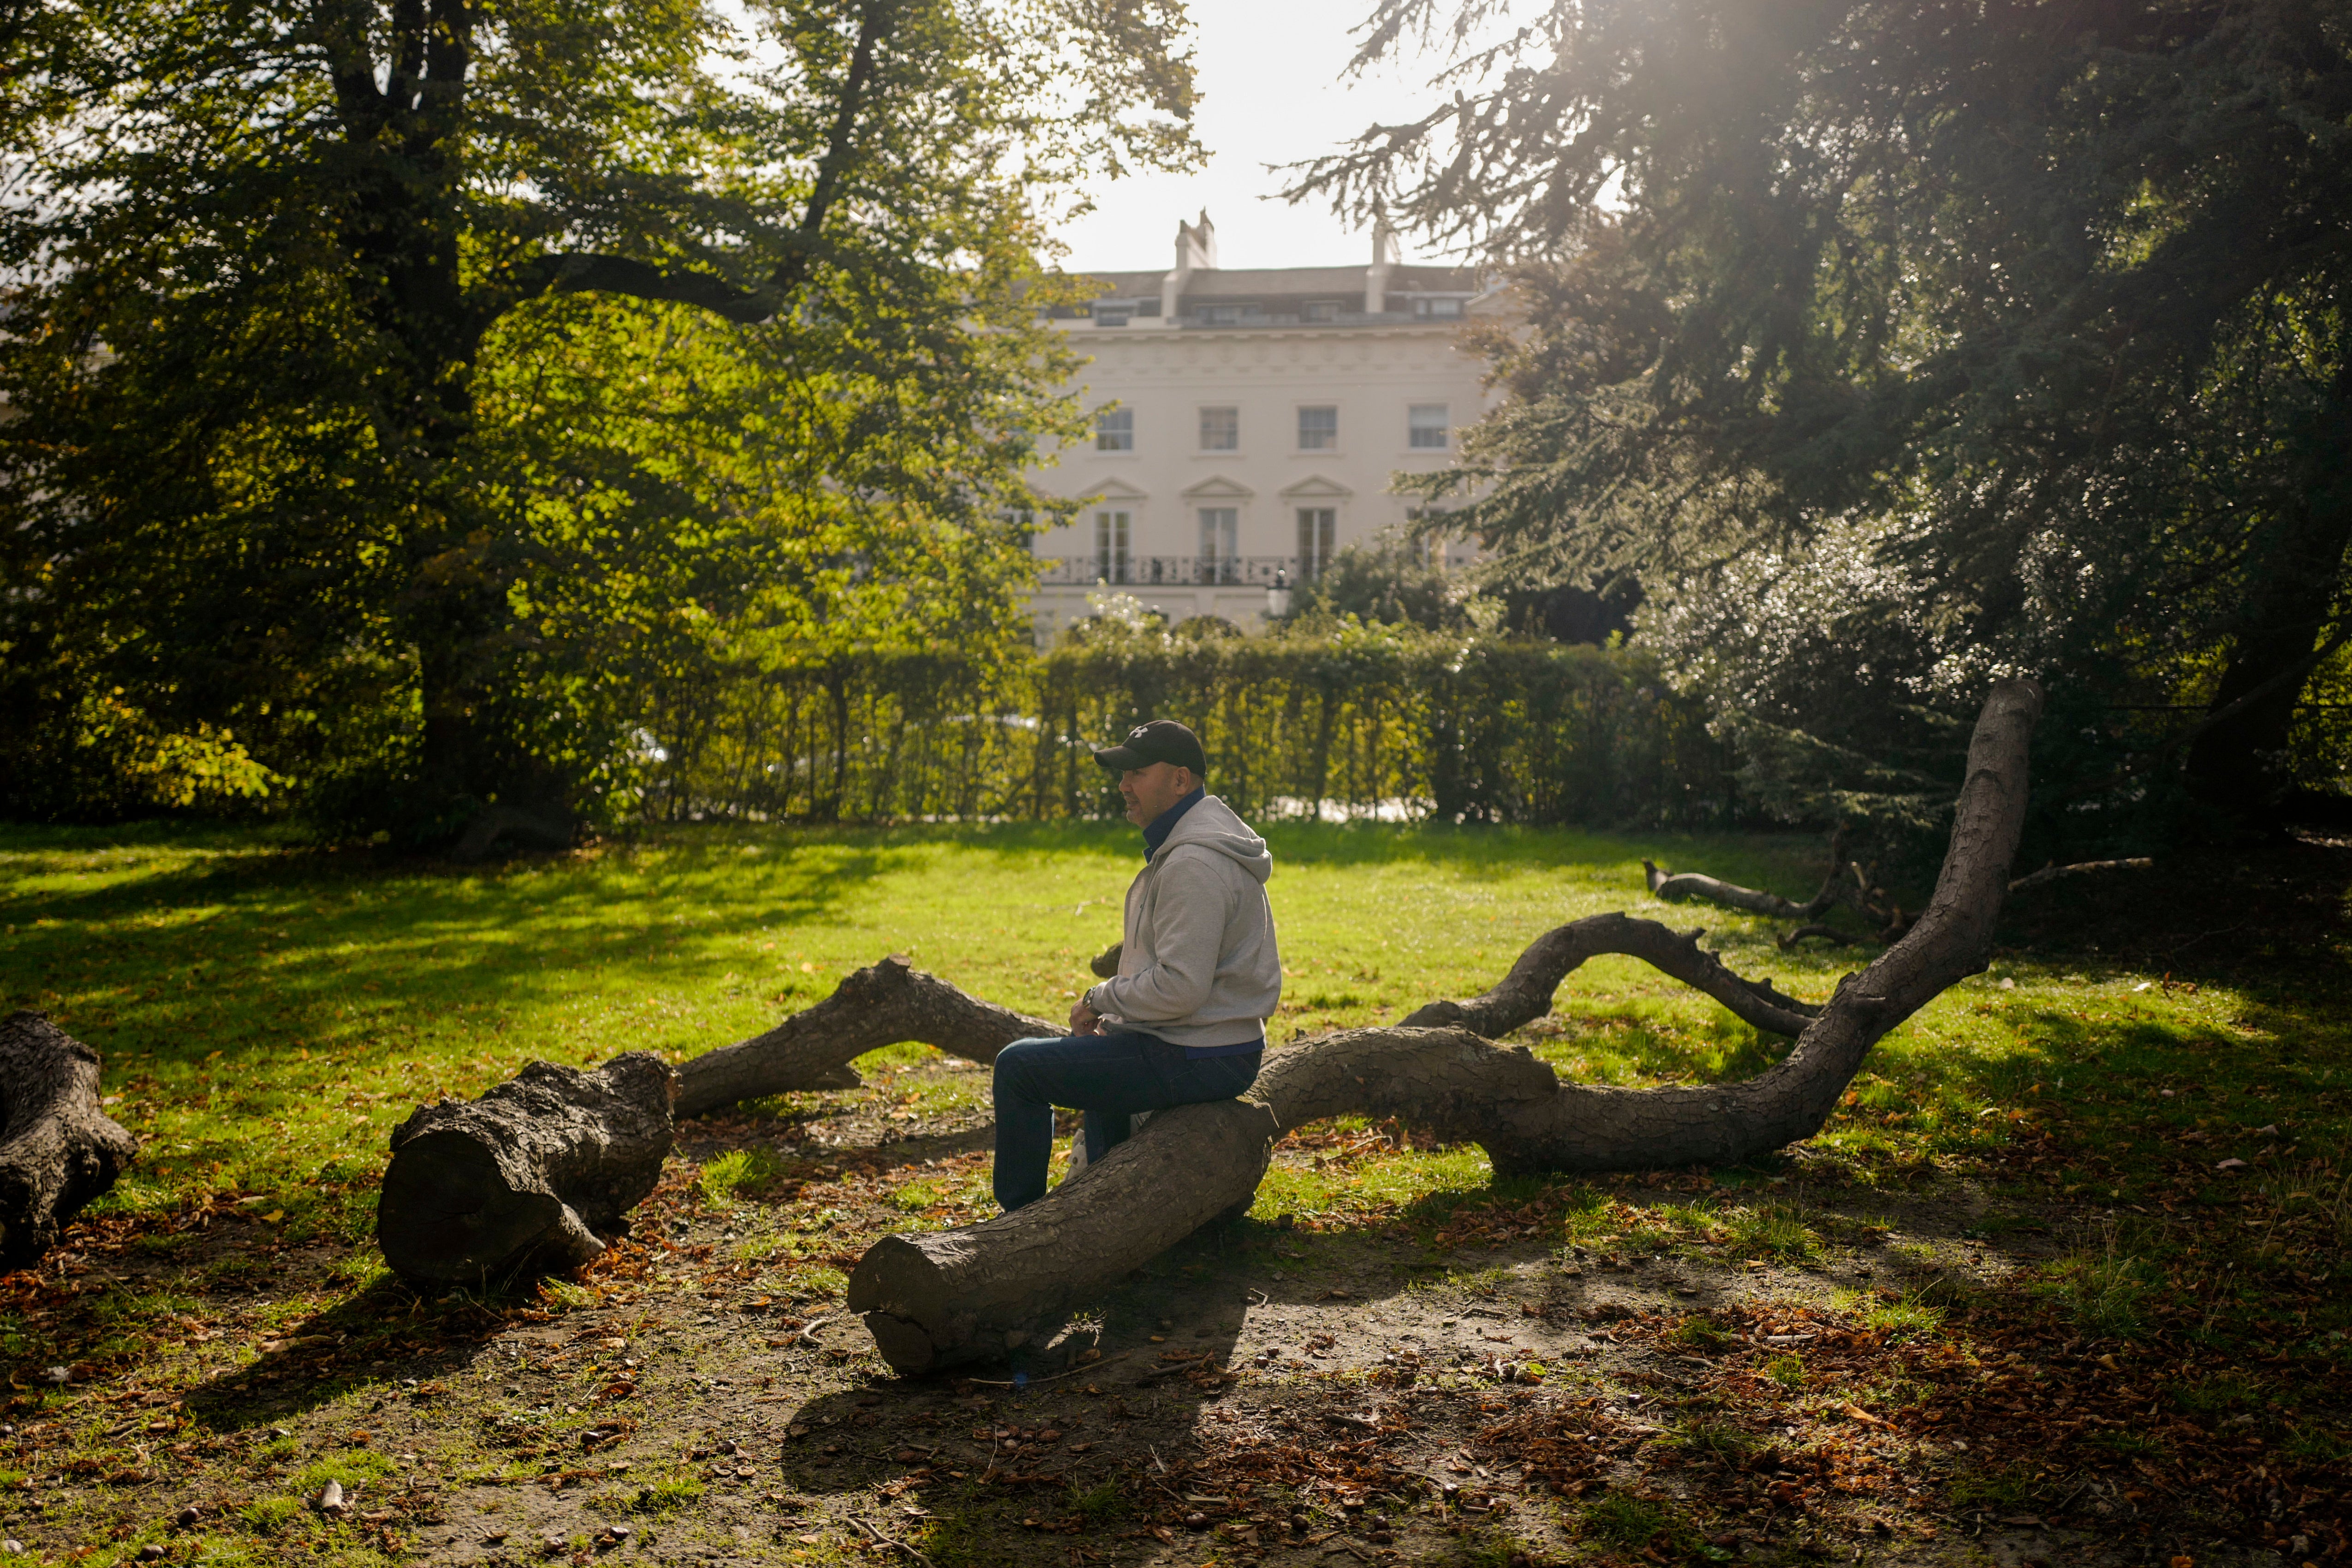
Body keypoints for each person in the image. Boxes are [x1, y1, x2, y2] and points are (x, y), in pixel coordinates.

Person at [990, 720, 1281, 1212]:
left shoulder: (1195, 864)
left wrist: (1097, 999)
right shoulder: (1194, 845)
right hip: (1207, 1044)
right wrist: (1115, 1016)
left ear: (1180, 781)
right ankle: (1101, 1197)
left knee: (1017, 1066)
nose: (1123, 786)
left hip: (1200, 1055)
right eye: (1122, 774)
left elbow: (1180, 989)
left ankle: (1018, 1221)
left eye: (1137, 773)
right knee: (1105, 1051)